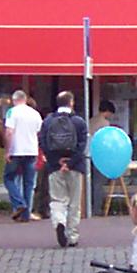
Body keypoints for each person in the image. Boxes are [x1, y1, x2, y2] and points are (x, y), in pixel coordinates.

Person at [40, 90, 89, 247]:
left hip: (55, 167)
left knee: (57, 199)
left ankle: (59, 221)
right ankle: (72, 235)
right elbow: (82, 146)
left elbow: (44, 144)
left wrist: (57, 161)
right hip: (75, 167)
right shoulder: (79, 122)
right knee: (74, 202)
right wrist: (70, 163)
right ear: (71, 102)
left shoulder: (47, 122)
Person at [3, 90, 42, 221]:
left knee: (8, 178)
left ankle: (19, 203)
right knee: (29, 183)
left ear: (14, 100)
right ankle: (26, 215)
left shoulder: (12, 112)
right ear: (25, 99)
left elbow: (9, 132)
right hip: (31, 150)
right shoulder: (35, 113)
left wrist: (7, 151)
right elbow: (38, 132)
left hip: (16, 150)